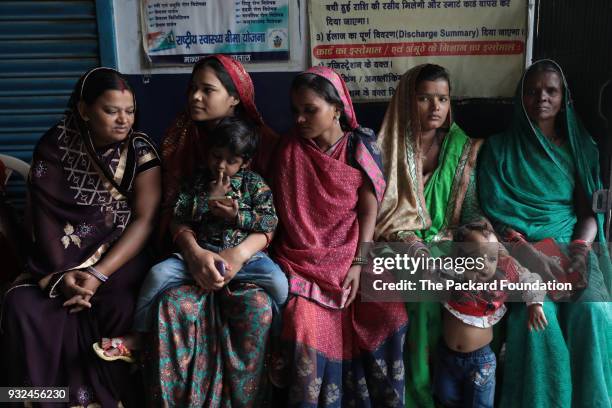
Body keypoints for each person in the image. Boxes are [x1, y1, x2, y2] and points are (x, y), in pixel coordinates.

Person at [0, 67, 161, 407]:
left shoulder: (140, 151)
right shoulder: (53, 147)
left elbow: (145, 220)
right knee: (21, 306)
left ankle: (114, 399)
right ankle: (39, 398)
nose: (123, 120)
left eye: (129, 111)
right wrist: (63, 276)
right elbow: (45, 223)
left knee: (121, 301)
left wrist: (97, 274)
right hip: (55, 265)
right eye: (111, 110)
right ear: (84, 110)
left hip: (120, 256)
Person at [143, 55, 279, 407]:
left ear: (234, 98)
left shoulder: (265, 149)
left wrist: (238, 252)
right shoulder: (178, 142)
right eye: (192, 89)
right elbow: (172, 214)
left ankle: (279, 352)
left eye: (207, 90)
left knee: (269, 298)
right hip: (192, 253)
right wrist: (195, 251)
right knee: (167, 295)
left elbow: (271, 219)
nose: (195, 98)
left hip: (245, 257)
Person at [93, 116, 287, 361]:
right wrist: (207, 199)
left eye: (231, 161)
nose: (220, 166)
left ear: (245, 163)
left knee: (279, 283)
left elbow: (270, 221)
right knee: (157, 276)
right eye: (216, 156)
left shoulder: (254, 185)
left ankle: (279, 344)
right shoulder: (197, 181)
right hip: (199, 254)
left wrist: (239, 215)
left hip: (246, 259)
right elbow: (178, 213)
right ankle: (139, 334)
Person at [271, 66, 408, 407]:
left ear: (337, 108)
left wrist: (359, 264)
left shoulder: (359, 147)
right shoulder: (289, 150)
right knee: (305, 327)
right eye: (295, 111)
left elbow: (367, 212)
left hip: (353, 250)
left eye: (310, 110)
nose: (300, 119)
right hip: (303, 261)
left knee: (389, 310)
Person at [478, 59, 612, 408]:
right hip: (520, 253)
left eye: (551, 90)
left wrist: (581, 251)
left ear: (564, 97)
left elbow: (589, 214)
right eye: (533, 91)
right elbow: (494, 213)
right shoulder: (498, 149)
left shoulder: (581, 149)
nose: (542, 98)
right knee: (540, 327)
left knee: (594, 312)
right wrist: (528, 252)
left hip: (572, 245)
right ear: (520, 98)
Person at [374, 64, 486, 407]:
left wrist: (484, 234)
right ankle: (418, 393)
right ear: (408, 101)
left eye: (442, 98)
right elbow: (379, 215)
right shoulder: (385, 148)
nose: (435, 107)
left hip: (447, 239)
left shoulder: (461, 148)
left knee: (475, 275)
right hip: (394, 242)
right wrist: (415, 246)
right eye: (424, 98)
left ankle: (456, 387)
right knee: (421, 282)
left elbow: (470, 213)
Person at [430, 222, 547, 408]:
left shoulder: (502, 274)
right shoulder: (450, 270)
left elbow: (531, 280)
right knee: (445, 397)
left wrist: (534, 304)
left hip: (480, 362)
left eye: (491, 258)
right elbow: (432, 273)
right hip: (447, 356)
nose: (485, 265)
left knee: (480, 404)